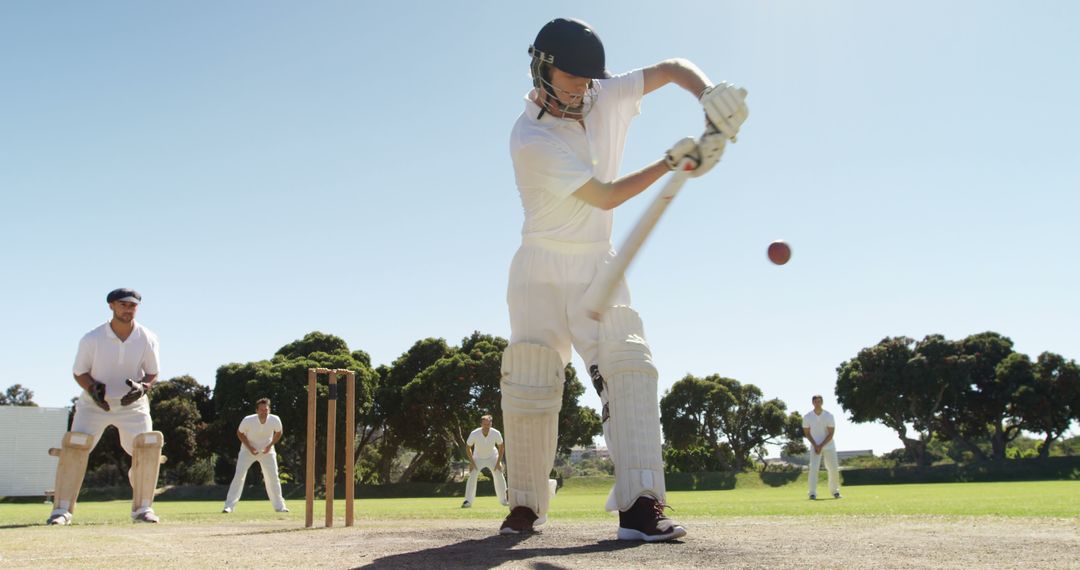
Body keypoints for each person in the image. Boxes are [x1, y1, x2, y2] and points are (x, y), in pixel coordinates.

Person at [499, 17, 748, 541]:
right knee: (531, 380)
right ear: (542, 68)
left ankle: (639, 507)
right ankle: (525, 507)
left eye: (590, 79)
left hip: (598, 262)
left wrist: (709, 95)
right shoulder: (531, 136)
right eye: (573, 78)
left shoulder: (602, 94)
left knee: (628, 365)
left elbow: (672, 68)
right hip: (539, 267)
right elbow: (604, 195)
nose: (583, 89)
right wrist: (671, 162)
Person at [48, 288, 163, 525]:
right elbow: (79, 372)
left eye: (132, 305)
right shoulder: (92, 338)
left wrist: (144, 387)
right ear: (111, 306)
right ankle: (61, 511)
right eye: (123, 304)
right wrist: (93, 389)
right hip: (94, 405)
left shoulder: (147, 338)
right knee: (75, 449)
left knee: (147, 449)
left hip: (133, 406)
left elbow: (152, 371)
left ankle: (143, 509)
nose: (128, 309)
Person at [222, 398, 288, 513]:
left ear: (269, 410)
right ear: (256, 410)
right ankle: (229, 506)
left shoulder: (275, 419)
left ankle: (280, 507)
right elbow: (239, 433)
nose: (264, 412)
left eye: (266, 409)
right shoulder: (248, 420)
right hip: (247, 451)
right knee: (239, 476)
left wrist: (270, 445)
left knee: (273, 478)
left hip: (267, 451)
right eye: (261, 410)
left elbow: (279, 432)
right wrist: (250, 447)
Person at [462, 414, 508, 508]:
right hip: (478, 457)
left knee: (499, 475)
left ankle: (504, 500)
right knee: (472, 476)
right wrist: (471, 462)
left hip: (492, 456)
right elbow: (468, 447)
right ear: (481, 424)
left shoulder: (496, 433)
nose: (486, 426)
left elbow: (501, 447)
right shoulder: (474, 433)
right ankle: (468, 501)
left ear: (491, 424)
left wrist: (498, 461)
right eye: (484, 424)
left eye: (488, 424)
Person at [802, 394, 841, 500]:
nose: (817, 403)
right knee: (814, 469)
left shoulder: (829, 416)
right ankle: (812, 493)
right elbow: (807, 433)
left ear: (822, 402)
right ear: (813, 403)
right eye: (815, 401)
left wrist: (821, 445)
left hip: (829, 445)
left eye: (819, 401)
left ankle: (835, 492)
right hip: (815, 446)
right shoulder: (807, 417)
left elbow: (831, 434)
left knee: (833, 468)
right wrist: (816, 445)